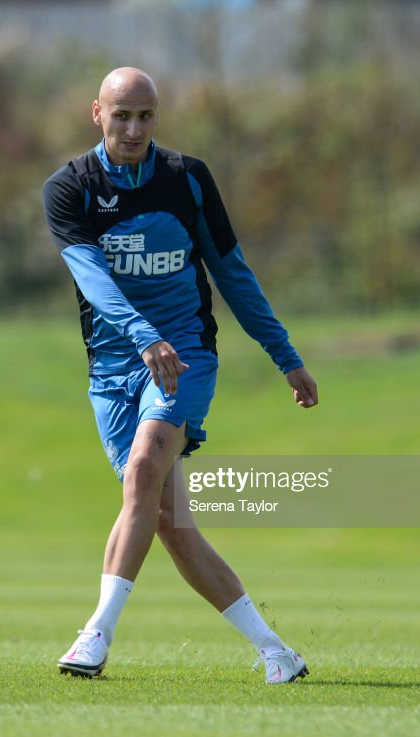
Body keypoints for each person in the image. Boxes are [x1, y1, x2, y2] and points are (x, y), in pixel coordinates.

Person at [41, 67, 319, 684]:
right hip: (115, 367)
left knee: (143, 470)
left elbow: (232, 273)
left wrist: (284, 354)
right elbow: (94, 279)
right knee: (170, 524)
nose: (135, 128)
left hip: (187, 354)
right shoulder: (70, 189)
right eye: (122, 115)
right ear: (97, 114)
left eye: (146, 115)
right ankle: (278, 652)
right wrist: (143, 338)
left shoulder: (188, 180)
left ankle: (97, 634)